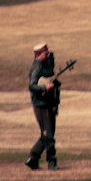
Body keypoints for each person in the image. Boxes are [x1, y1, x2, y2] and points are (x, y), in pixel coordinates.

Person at [25, 41, 61, 170]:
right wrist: (44, 87)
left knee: (47, 134)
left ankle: (33, 159)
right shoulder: (37, 67)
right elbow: (32, 85)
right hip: (41, 105)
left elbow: (50, 69)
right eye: (45, 51)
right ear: (39, 54)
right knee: (48, 135)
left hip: (48, 104)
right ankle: (51, 162)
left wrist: (51, 56)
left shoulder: (45, 65)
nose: (48, 52)